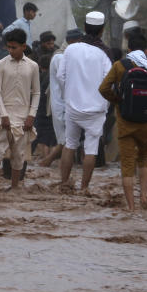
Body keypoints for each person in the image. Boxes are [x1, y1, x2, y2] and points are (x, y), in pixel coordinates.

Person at [98, 33, 147, 211]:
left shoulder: (119, 66)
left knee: (127, 164)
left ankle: (131, 207)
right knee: (144, 158)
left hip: (125, 123)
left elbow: (103, 88)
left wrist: (118, 101)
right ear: (146, 51)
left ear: (128, 50)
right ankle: (144, 196)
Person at [57, 12, 112, 193]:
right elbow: (108, 82)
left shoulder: (71, 49)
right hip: (96, 110)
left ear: (85, 28)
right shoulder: (104, 54)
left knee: (70, 144)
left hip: (73, 107)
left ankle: (64, 184)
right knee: (91, 149)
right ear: (102, 30)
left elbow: (61, 76)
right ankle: (84, 188)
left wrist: (69, 96)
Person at [0, 29, 40, 189]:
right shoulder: (1, 64)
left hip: (23, 116)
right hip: (2, 114)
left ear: (24, 46)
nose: (10, 51)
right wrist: (3, 115)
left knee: (19, 155)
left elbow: (36, 92)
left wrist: (31, 115)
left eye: (14, 47)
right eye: (8, 47)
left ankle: (14, 188)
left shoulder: (33, 66)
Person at [40, 28, 82, 167]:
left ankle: (50, 162)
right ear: (71, 42)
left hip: (68, 103)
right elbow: (66, 80)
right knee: (65, 140)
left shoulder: (69, 55)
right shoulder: (60, 57)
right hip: (62, 104)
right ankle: (49, 162)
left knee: (66, 139)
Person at [33, 54, 57, 161]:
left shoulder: (41, 77)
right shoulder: (54, 75)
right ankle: (51, 159)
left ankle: (45, 159)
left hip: (42, 110)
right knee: (52, 137)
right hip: (54, 110)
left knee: (43, 138)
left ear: (40, 66)